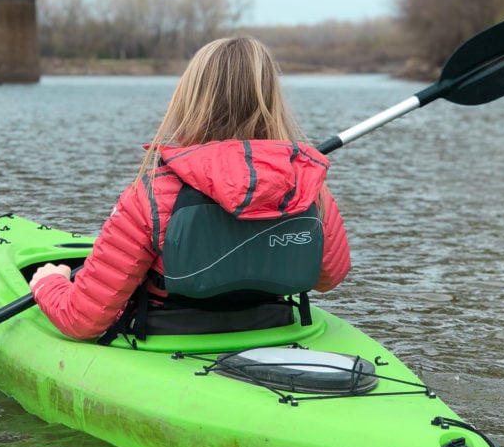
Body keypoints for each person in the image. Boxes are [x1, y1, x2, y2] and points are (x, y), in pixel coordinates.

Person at [30, 36, 351, 343]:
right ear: (273, 99)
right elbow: (327, 278)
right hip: (271, 325)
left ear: (190, 99)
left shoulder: (153, 195)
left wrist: (49, 282)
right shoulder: (308, 187)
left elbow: (81, 320)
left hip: (169, 334)